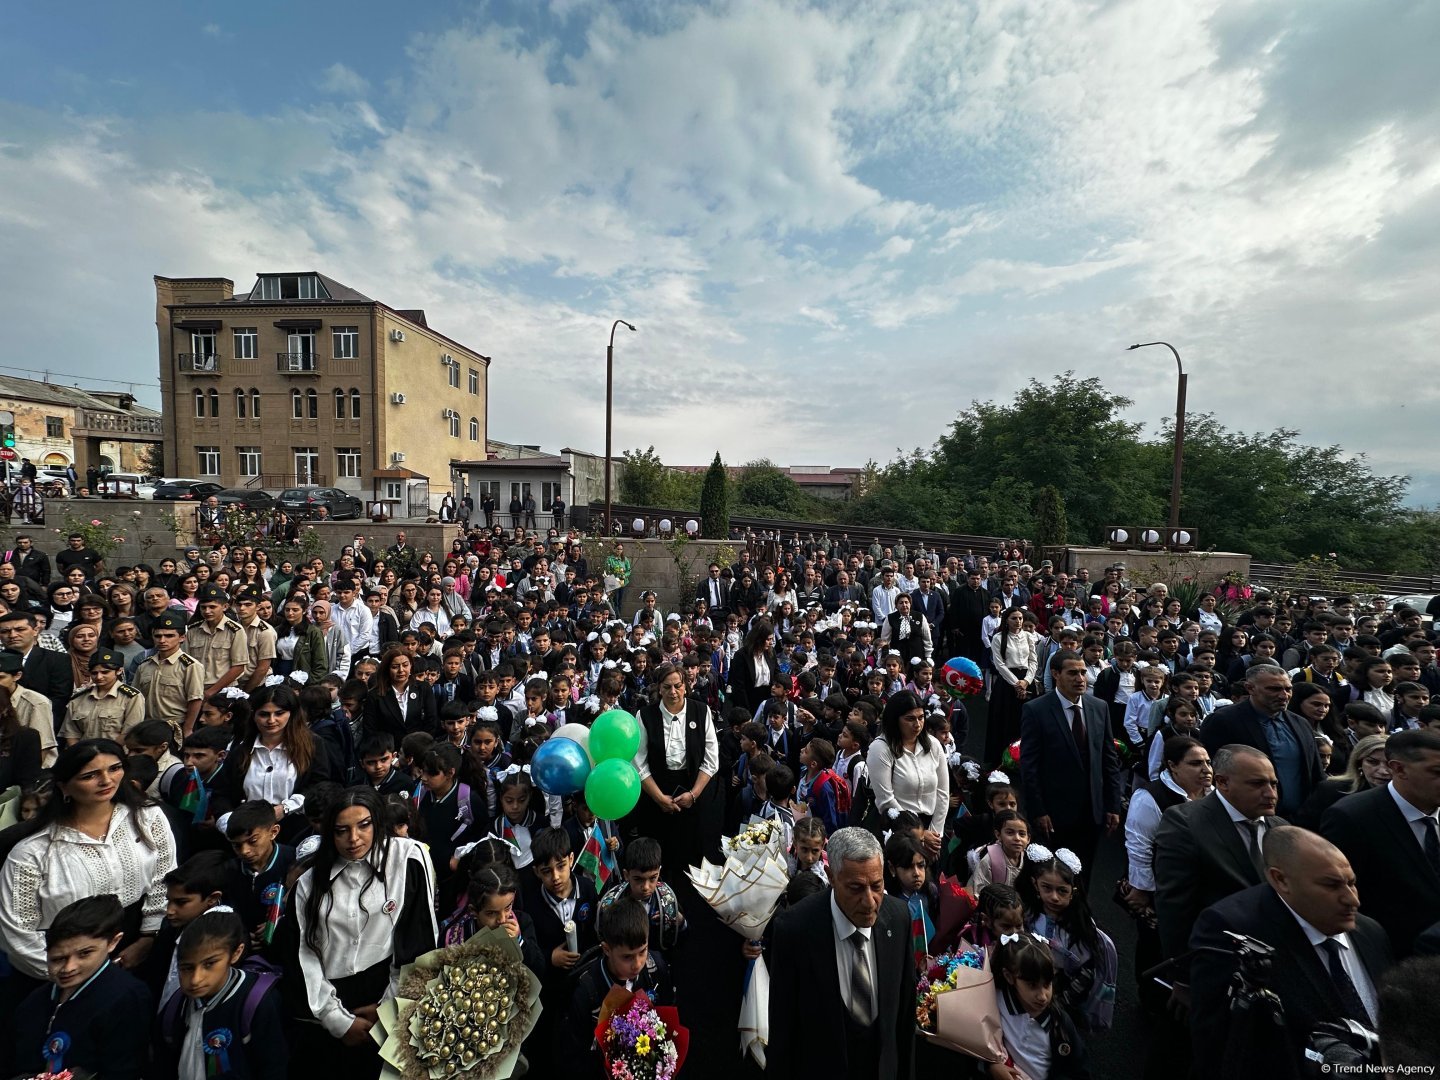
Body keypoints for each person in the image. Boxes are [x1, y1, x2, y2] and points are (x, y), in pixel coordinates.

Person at [1188, 827, 1392, 1074]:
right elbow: (1221, 1048)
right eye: (1331, 885)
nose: (1352, 900)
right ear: (1281, 880)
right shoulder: (1234, 933)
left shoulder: (1371, 933)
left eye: (1352, 883)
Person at [0, 740, 177, 986]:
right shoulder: (33, 852)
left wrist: (148, 936)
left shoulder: (146, 817)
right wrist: (71, 971)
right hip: (61, 968)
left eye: (114, 768)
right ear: (64, 787)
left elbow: (163, 878)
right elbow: (19, 931)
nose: (106, 781)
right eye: (90, 775)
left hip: (135, 949)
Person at [292, 788, 437, 1078]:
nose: (354, 839)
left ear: (378, 821)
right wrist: (335, 1018)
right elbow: (304, 953)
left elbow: (419, 939)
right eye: (342, 830)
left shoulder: (408, 858)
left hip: (391, 986)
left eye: (364, 825)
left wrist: (390, 1007)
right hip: (332, 996)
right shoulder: (309, 882)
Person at [767, 827, 915, 1078]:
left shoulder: (898, 918)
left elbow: (904, 1019)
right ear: (831, 876)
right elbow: (783, 1031)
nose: (870, 902)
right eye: (855, 888)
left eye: (877, 886)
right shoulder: (795, 930)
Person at [1153, 745, 1286, 960]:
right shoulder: (1186, 823)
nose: (1270, 794)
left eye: (1273, 784)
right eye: (1257, 784)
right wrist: (1183, 973)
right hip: (1217, 958)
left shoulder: (1280, 827)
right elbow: (1175, 908)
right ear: (1223, 782)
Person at [1321, 729, 1440, 959]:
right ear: (1398, 768)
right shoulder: (1352, 818)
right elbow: (1341, 899)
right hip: (1395, 959)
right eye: (1436, 772)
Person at [10, 895, 153, 1080]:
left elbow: (124, 1070)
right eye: (58, 959)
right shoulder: (34, 1002)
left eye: (85, 954)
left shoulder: (127, 997)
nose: (69, 968)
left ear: (113, 942)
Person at [1019, 651, 1121, 882]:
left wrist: (1113, 804)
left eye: (1083, 672)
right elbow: (1030, 766)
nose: (1080, 678)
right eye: (1073, 673)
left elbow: (1108, 760)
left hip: (1092, 811)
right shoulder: (1036, 710)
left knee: (1083, 872)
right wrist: (1038, 810)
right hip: (1054, 814)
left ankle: (1081, 914)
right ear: (1056, 674)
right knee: (1054, 874)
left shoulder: (1099, 707)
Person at [153, 907, 288, 1080]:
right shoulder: (177, 1005)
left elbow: (273, 1068)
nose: (195, 979)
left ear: (236, 953)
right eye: (187, 968)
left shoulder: (256, 1002)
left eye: (209, 964)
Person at [1199, 663, 1325, 818]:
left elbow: (1316, 772)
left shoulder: (1301, 723)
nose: (1284, 695)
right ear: (1250, 688)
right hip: (1247, 817)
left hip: (1301, 818)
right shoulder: (1223, 721)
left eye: (1288, 689)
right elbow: (1212, 773)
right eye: (1274, 689)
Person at [628, 662, 721, 872]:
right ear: (659, 688)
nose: (673, 692)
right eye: (667, 687)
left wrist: (694, 794)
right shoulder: (645, 716)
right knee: (661, 853)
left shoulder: (701, 711)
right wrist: (659, 798)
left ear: (686, 686)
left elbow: (711, 759)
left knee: (692, 853)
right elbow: (639, 762)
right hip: (656, 791)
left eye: (678, 686)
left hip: (692, 790)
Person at [991, 931, 1090, 1080]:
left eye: (1047, 984)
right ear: (1009, 977)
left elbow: (1077, 1071)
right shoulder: (995, 999)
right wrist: (991, 1066)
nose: (1043, 996)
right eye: (1032, 985)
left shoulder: (1060, 1026)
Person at [865, 690, 948, 860]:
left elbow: (943, 793)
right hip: (897, 829)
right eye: (910, 719)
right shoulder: (880, 748)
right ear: (895, 720)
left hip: (932, 829)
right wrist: (920, 836)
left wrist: (935, 833)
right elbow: (886, 800)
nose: (917, 724)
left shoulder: (933, 745)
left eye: (921, 717)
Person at [1295, 733, 1389, 829]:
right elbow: (1303, 829)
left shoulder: (1402, 795)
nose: (1383, 771)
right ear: (1359, 763)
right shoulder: (1330, 790)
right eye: (1373, 762)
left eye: (1389, 764)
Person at [987, 606, 1038, 765]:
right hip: (1007, 681)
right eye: (1014, 618)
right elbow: (999, 664)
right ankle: (1001, 758)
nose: (1018, 621)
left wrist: (1026, 681)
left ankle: (1024, 757)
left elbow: (1033, 662)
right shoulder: (998, 637)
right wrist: (1017, 684)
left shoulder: (1029, 637)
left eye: (1020, 618)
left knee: (1025, 721)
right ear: (1006, 620)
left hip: (1026, 680)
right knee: (1004, 720)